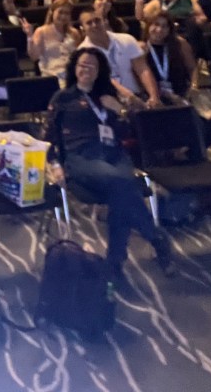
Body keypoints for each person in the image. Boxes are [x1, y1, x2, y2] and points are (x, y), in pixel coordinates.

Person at [45, 48, 175, 281]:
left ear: (99, 72)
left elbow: (125, 132)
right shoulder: (63, 98)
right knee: (123, 183)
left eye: (92, 66)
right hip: (80, 156)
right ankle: (155, 238)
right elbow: (49, 137)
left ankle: (115, 263)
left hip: (114, 154)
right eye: (82, 65)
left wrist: (120, 111)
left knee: (120, 193)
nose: (86, 69)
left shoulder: (107, 97)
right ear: (74, 68)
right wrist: (54, 165)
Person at [78, 6, 161, 109]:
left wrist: (153, 96)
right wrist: (130, 97)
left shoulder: (126, 39)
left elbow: (142, 69)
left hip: (138, 96)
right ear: (82, 28)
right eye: (89, 23)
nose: (94, 25)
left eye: (97, 20)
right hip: (108, 103)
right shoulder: (83, 53)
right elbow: (105, 79)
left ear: (105, 21)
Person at [23, 0, 81, 83]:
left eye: (67, 13)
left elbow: (80, 56)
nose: (63, 16)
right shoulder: (41, 31)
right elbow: (34, 56)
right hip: (51, 77)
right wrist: (29, 36)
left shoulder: (74, 33)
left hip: (72, 77)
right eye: (60, 12)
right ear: (52, 12)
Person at [141, 12, 195, 102]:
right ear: (148, 26)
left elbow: (192, 69)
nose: (159, 30)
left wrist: (193, 88)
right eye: (156, 24)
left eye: (164, 26)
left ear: (170, 29)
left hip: (181, 95)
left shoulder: (180, 44)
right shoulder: (141, 48)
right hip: (153, 98)